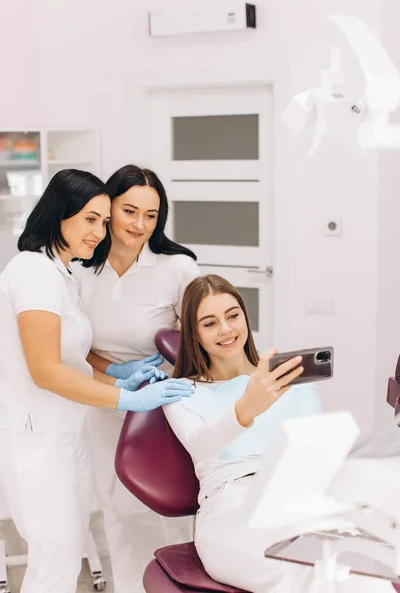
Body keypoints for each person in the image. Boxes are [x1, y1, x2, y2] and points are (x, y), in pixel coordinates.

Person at [0, 169, 194, 593]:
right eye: (91, 219)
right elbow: (46, 370)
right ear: (59, 212)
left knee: (66, 556)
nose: (99, 231)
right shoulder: (33, 272)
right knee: (55, 559)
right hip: (41, 437)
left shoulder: (62, 273)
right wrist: (125, 397)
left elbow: (71, 353)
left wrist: (116, 374)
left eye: (102, 222)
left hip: (69, 431)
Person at [164, 275, 393, 593]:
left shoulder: (287, 380)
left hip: (303, 499)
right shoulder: (181, 391)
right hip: (232, 506)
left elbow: (317, 452)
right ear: (194, 334)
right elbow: (200, 445)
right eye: (210, 323)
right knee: (299, 573)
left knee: (362, 573)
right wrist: (246, 408)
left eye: (233, 315)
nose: (227, 329)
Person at [72, 164, 201, 593]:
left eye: (151, 214)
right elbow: (72, 344)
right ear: (108, 207)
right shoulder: (80, 269)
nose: (141, 225)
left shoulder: (177, 268)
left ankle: (183, 584)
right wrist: (113, 371)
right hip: (105, 399)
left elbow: (206, 336)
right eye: (130, 211)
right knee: (116, 505)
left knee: (170, 504)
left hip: (167, 403)